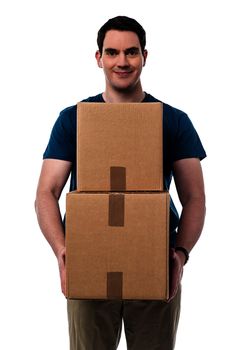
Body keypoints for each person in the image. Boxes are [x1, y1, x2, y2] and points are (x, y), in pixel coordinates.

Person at [35, 15, 206, 350]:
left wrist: (180, 256)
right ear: (99, 58)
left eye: (131, 52)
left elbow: (195, 196)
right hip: (90, 259)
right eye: (112, 52)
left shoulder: (172, 120)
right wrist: (63, 252)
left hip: (155, 260)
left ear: (145, 56)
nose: (122, 62)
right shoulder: (74, 119)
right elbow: (46, 191)